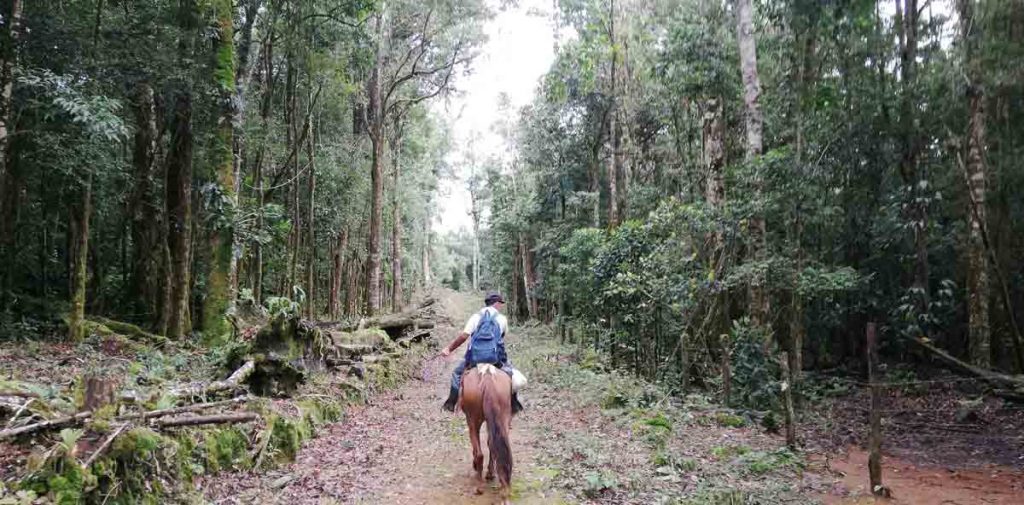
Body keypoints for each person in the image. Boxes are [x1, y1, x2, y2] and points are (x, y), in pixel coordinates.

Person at [441, 291, 524, 414]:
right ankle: (514, 403)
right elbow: (501, 339)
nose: (501, 306)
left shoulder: (476, 317)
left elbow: (464, 336)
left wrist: (449, 349)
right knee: (511, 375)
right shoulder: (502, 319)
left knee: (456, 374)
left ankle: (451, 403)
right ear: (496, 303)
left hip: (474, 359)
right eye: (500, 303)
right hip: (496, 359)